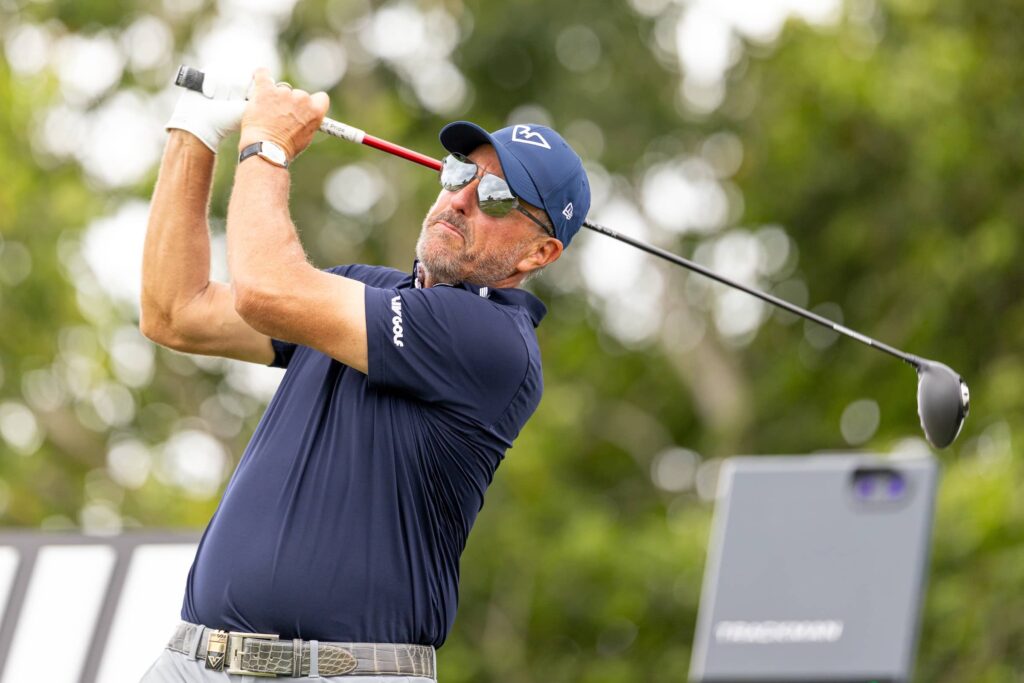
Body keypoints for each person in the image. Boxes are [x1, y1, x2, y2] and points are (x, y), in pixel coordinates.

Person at [139, 67, 590, 681]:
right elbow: (176, 311)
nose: (460, 198)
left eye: (497, 198)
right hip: (192, 660)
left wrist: (267, 145)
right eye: (461, 173)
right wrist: (194, 130)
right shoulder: (359, 291)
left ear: (540, 253)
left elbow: (268, 290)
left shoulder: (493, 344)